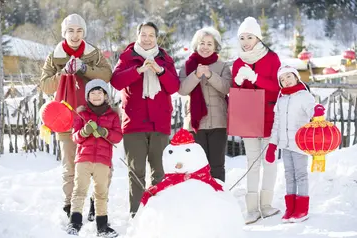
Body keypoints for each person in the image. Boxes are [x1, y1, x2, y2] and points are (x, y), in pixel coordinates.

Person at [39, 14, 112, 218]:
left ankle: (95, 203)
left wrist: (84, 68)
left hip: (93, 115)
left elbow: (107, 75)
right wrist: (62, 73)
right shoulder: (55, 56)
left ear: (84, 32)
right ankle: (70, 204)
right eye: (70, 30)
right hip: (65, 117)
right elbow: (45, 85)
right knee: (70, 164)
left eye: (79, 30)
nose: (75, 34)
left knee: (98, 162)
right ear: (64, 33)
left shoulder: (92, 53)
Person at [110, 22, 180, 217]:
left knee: (159, 171)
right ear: (138, 35)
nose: (147, 38)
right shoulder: (127, 57)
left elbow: (174, 87)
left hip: (160, 123)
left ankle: (158, 212)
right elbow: (116, 81)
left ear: (156, 38)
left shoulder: (165, 58)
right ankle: (137, 213)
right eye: (144, 35)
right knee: (136, 171)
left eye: (151, 35)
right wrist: (138, 71)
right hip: (134, 123)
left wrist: (160, 71)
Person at [232, 16, 281, 224]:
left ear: (258, 38)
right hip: (249, 119)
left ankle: (267, 205)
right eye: (242, 37)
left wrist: (255, 78)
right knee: (252, 162)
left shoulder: (272, 58)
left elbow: (277, 87)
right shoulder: (237, 63)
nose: (245, 41)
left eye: (249, 37)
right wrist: (238, 82)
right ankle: (252, 208)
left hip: (270, 117)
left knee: (269, 162)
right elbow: (237, 95)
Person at [67, 79, 122, 237]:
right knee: (80, 191)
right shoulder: (82, 114)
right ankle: (75, 222)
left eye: (100, 93)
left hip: (103, 161)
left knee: (101, 193)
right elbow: (75, 137)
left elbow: (117, 136)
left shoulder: (112, 115)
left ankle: (102, 227)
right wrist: (85, 131)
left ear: (105, 96)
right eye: (93, 93)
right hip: (84, 159)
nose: (96, 96)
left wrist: (104, 132)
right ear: (87, 96)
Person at [267, 65, 321, 223]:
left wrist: (316, 111)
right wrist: (272, 145)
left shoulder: (304, 95)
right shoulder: (281, 100)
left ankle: (302, 210)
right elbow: (276, 125)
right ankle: (290, 208)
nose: (286, 81)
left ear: (296, 77)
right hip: (285, 145)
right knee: (289, 176)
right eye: (282, 79)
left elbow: (312, 110)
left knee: (301, 176)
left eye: (288, 76)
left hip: (300, 144)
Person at [178, 27, 231, 182]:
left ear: (215, 47)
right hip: (195, 124)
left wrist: (209, 74)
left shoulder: (222, 66)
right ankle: (200, 199)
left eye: (209, 44)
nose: (205, 47)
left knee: (217, 165)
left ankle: (218, 198)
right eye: (202, 43)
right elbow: (182, 89)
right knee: (197, 165)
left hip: (218, 122)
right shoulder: (188, 66)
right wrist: (196, 75)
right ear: (196, 44)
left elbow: (226, 87)